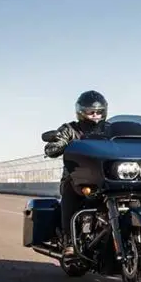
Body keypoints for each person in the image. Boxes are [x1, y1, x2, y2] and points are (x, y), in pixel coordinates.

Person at [44, 90, 112, 258]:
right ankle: (68, 241)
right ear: (81, 111)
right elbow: (52, 148)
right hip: (77, 178)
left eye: (99, 111)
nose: (95, 115)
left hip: (106, 178)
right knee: (69, 191)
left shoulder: (110, 129)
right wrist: (59, 144)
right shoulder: (70, 129)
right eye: (91, 111)